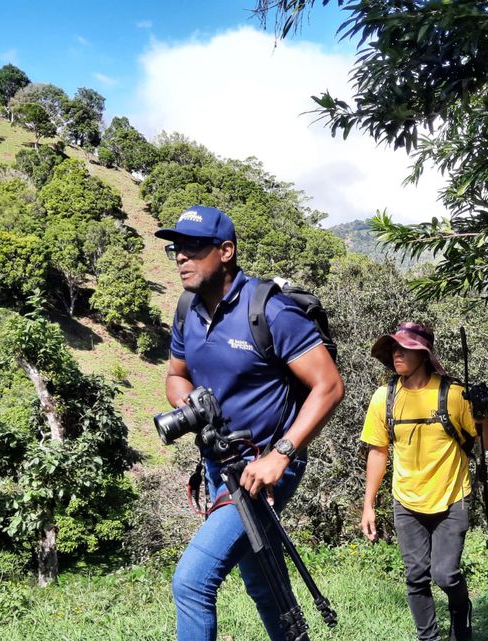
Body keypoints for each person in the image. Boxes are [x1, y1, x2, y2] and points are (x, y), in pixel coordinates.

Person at [156, 205, 344, 641]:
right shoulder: (187, 310)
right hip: (219, 465)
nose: (181, 256)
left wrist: (282, 455)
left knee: (192, 583)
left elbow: (330, 386)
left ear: (225, 251)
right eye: (176, 248)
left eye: (193, 247)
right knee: (266, 586)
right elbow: (175, 374)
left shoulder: (270, 311)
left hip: (265, 467)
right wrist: (188, 402)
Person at [359, 322, 488, 641]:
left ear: (423, 355)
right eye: (394, 348)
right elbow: (378, 452)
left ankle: (461, 617)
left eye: (405, 348)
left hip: (451, 499)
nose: (397, 354)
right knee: (416, 577)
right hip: (406, 501)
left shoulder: (453, 395)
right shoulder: (384, 397)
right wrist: (368, 505)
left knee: (445, 575)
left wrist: (481, 416)